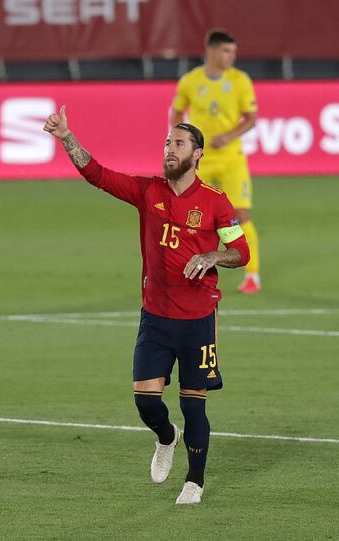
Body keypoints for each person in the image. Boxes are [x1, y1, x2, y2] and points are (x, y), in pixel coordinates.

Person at [43, 106, 250, 504]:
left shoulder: (215, 202)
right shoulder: (147, 191)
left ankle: (195, 482)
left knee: (194, 407)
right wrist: (66, 136)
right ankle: (166, 437)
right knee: (145, 402)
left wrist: (212, 256)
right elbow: (97, 174)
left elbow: (241, 251)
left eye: (178, 143)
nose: (169, 149)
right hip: (155, 318)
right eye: (166, 143)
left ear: (197, 153)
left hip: (197, 320)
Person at [170, 29, 261, 294]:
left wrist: (228, 136)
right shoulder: (190, 81)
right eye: (226, 51)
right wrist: (180, 141)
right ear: (211, 51)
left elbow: (251, 117)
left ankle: (252, 275)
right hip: (201, 160)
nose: (231, 56)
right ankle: (186, 270)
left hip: (232, 159)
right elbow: (176, 110)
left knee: (241, 214)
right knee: (190, 214)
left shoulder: (240, 80)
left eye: (234, 52)